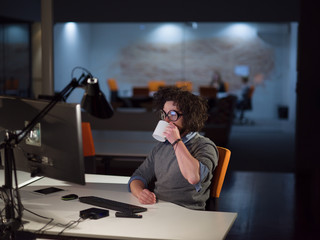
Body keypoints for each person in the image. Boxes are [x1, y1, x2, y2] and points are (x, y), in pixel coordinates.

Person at [128, 86, 218, 210]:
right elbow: (137, 177)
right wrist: (140, 193)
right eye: (164, 114)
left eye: (172, 114)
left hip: (188, 214)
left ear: (189, 117)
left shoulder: (205, 146)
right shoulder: (161, 146)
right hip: (159, 210)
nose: (166, 119)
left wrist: (176, 141)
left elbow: (193, 177)